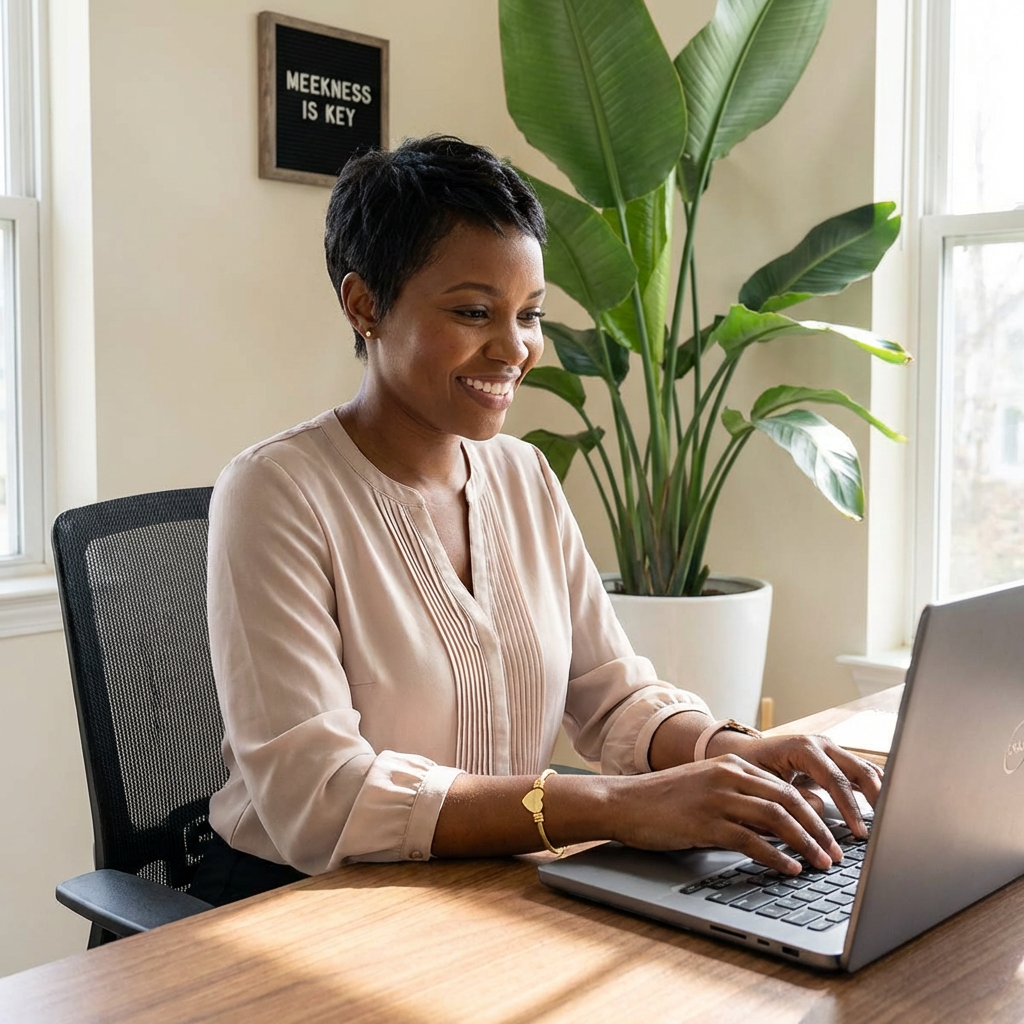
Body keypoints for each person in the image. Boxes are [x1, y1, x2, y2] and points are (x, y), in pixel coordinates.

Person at [189, 136, 882, 907]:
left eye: (531, 314)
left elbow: (609, 694)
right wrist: (616, 808)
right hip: (300, 905)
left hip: (489, 884)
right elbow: (319, 796)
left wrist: (734, 753)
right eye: (475, 312)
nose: (515, 348)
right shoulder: (276, 491)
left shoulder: (523, 475)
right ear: (364, 304)